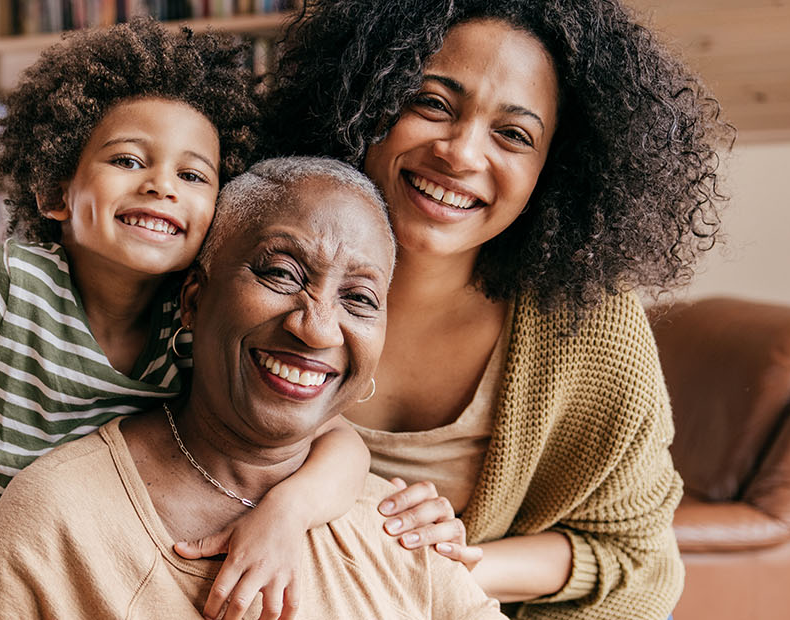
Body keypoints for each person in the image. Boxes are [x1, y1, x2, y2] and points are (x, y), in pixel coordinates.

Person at [0, 19, 372, 620]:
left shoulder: (198, 321)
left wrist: (286, 512)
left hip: (116, 589)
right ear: (56, 193)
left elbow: (339, 439)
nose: (160, 186)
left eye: (193, 175)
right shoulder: (7, 284)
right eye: (128, 160)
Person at [250, 0, 736, 618]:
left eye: (513, 134)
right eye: (431, 103)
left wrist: (451, 558)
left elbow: (632, 555)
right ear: (362, 102)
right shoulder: (249, 264)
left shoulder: (587, 325)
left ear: (554, 169)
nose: (460, 153)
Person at [0, 156, 504, 620]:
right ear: (193, 301)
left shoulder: (401, 527)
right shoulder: (57, 520)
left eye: (359, 299)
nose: (317, 326)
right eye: (282, 273)